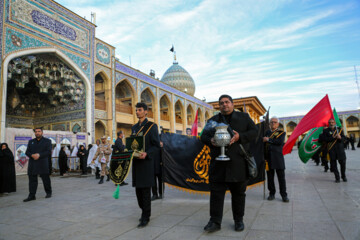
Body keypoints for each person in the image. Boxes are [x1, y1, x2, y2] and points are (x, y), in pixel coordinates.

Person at [200, 95, 257, 233]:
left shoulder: (243, 118)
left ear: (232, 104)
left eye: (227, 102)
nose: (224, 105)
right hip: (218, 165)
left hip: (238, 164)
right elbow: (203, 136)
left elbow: (255, 132)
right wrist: (211, 141)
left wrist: (240, 137)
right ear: (219, 106)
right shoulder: (213, 120)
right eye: (221, 103)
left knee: (238, 194)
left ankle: (238, 220)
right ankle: (215, 221)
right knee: (216, 194)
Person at [131, 102, 161, 228]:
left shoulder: (151, 126)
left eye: (140, 110)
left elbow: (156, 145)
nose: (137, 112)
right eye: (136, 110)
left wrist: (147, 154)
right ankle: (143, 210)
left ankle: (145, 216)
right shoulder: (134, 127)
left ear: (146, 112)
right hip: (136, 163)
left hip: (146, 162)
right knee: (138, 192)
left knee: (145, 191)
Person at [263, 117, 289, 203]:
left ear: (278, 124)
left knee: (281, 178)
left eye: (275, 122)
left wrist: (268, 139)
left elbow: (279, 142)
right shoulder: (266, 133)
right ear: (269, 124)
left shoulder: (281, 133)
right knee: (270, 178)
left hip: (278, 158)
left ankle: (284, 195)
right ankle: (272, 193)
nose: (273, 124)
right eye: (271, 122)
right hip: (268, 159)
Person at [24, 127, 52, 202]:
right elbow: (27, 152)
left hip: (43, 163)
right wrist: (32, 155)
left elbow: (48, 151)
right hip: (33, 163)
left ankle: (48, 192)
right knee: (32, 180)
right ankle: (32, 195)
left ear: (42, 132)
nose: (37, 133)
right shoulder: (31, 141)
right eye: (36, 132)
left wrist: (39, 155)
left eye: (39, 131)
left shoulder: (47, 141)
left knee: (45, 179)